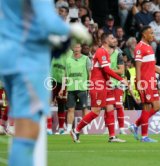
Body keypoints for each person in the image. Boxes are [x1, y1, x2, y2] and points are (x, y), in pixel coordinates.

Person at [0, 0, 91, 165]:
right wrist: (71, 29)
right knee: (28, 129)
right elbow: (48, 21)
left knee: (22, 124)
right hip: (27, 60)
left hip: (7, 56)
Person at [70, 33, 127, 143]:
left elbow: (104, 71)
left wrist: (109, 81)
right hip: (97, 85)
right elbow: (106, 70)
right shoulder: (101, 52)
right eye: (112, 38)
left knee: (110, 109)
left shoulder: (105, 53)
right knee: (96, 112)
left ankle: (112, 136)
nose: (114, 40)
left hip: (106, 85)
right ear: (105, 41)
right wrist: (120, 79)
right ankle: (76, 130)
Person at [129, 26, 160, 142]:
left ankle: (135, 125)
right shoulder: (139, 48)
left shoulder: (149, 47)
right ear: (144, 35)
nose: (153, 35)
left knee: (157, 107)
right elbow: (138, 68)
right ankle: (144, 136)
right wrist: (139, 84)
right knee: (146, 107)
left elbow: (152, 66)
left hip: (151, 81)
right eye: (151, 33)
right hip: (144, 82)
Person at [59, 43, 91, 134]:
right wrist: (62, 89)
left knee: (84, 109)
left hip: (82, 87)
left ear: (81, 48)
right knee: (70, 109)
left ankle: (85, 129)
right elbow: (65, 75)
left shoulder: (86, 59)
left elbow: (90, 73)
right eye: (75, 47)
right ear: (72, 49)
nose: (76, 49)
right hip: (71, 88)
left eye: (78, 47)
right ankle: (69, 129)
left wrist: (90, 85)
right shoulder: (68, 60)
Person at [47, 49, 73, 135]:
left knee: (61, 103)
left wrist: (65, 85)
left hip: (63, 80)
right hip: (51, 79)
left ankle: (61, 128)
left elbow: (69, 69)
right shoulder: (53, 49)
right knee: (48, 103)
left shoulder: (70, 53)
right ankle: (49, 128)